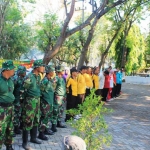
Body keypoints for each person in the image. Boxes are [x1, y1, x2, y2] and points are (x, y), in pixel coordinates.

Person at [22, 60, 45, 150]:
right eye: (42, 66)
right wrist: (25, 102)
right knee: (27, 121)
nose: (43, 68)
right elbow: (23, 91)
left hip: (37, 100)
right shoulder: (29, 77)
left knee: (36, 119)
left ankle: (33, 138)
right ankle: (25, 143)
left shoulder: (38, 77)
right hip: (30, 101)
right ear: (37, 67)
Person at [0, 60, 15, 150]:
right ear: (7, 70)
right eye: (12, 69)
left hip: (10, 108)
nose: (14, 70)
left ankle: (9, 146)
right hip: (1, 109)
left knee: (10, 128)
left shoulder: (11, 80)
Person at [38, 65, 55, 141]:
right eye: (52, 71)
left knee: (47, 118)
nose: (53, 72)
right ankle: (41, 133)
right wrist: (43, 101)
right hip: (45, 103)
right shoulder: (44, 81)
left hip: (49, 102)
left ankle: (45, 130)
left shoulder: (49, 80)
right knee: (44, 118)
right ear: (49, 72)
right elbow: (40, 92)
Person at [51, 66, 67, 132]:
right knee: (56, 111)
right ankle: (53, 126)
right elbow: (53, 88)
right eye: (62, 70)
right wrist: (55, 95)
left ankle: (59, 123)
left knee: (61, 111)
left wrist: (65, 95)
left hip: (62, 97)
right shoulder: (56, 78)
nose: (64, 71)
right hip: (58, 97)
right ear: (59, 71)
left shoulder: (62, 78)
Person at [13, 66, 26, 135]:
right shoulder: (15, 79)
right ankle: (15, 129)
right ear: (20, 72)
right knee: (16, 114)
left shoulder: (23, 79)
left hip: (22, 100)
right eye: (24, 71)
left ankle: (19, 126)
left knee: (20, 113)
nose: (25, 73)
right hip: (16, 100)